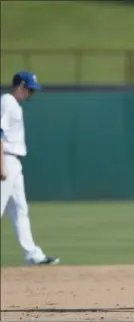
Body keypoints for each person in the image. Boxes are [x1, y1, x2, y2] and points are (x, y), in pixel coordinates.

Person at [1, 70, 59, 266]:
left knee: (20, 209)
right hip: (6, 159)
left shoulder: (13, 104)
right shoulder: (8, 101)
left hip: (14, 162)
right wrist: (1, 165)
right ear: (20, 86)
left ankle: (32, 254)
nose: (31, 94)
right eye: (29, 90)